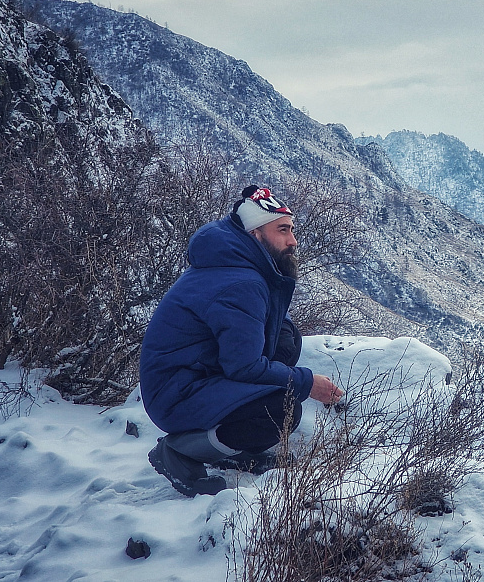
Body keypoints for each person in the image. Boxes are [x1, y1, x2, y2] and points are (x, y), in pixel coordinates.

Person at [140, 185, 345, 497]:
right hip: (176, 394)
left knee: (285, 342)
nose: (293, 241)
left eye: (291, 230)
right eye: (283, 231)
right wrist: (308, 383)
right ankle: (181, 451)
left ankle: (237, 447)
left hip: (198, 376)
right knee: (280, 409)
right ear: (255, 234)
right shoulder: (241, 283)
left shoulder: (237, 266)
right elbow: (244, 367)